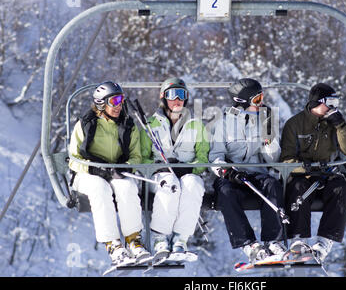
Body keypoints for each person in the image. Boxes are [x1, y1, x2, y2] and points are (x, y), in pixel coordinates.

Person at [68, 81, 150, 267]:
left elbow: (136, 156)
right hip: (87, 175)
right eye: (114, 101)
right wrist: (94, 168)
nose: (118, 105)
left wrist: (126, 167)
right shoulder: (86, 124)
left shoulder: (128, 125)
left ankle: (133, 240)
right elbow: (73, 159)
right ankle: (113, 245)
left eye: (121, 100)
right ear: (100, 104)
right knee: (100, 188)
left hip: (115, 173)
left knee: (128, 186)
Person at [209, 78, 286, 263]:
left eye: (262, 98)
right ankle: (249, 244)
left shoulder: (264, 121)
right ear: (243, 102)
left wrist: (269, 138)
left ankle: (274, 242)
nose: (262, 103)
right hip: (232, 176)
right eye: (257, 100)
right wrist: (228, 172)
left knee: (273, 184)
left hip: (256, 174)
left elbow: (273, 160)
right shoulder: (223, 124)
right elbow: (214, 158)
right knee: (226, 193)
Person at [280, 83, 346, 262]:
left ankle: (324, 241)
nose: (334, 106)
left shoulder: (337, 123)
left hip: (328, 174)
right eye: (330, 102)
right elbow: (286, 159)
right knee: (298, 188)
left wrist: (340, 126)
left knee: (341, 190)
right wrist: (303, 166)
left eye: (336, 102)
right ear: (317, 102)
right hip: (304, 175)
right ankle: (298, 239)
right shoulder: (295, 124)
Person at [140, 77, 209, 261]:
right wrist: (158, 167)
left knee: (193, 184)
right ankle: (160, 238)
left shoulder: (196, 125)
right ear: (163, 98)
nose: (177, 99)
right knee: (169, 183)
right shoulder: (149, 125)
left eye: (181, 95)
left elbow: (203, 158)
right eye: (172, 95)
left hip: (186, 175)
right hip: (158, 177)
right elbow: (141, 158)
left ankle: (180, 239)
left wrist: (188, 170)